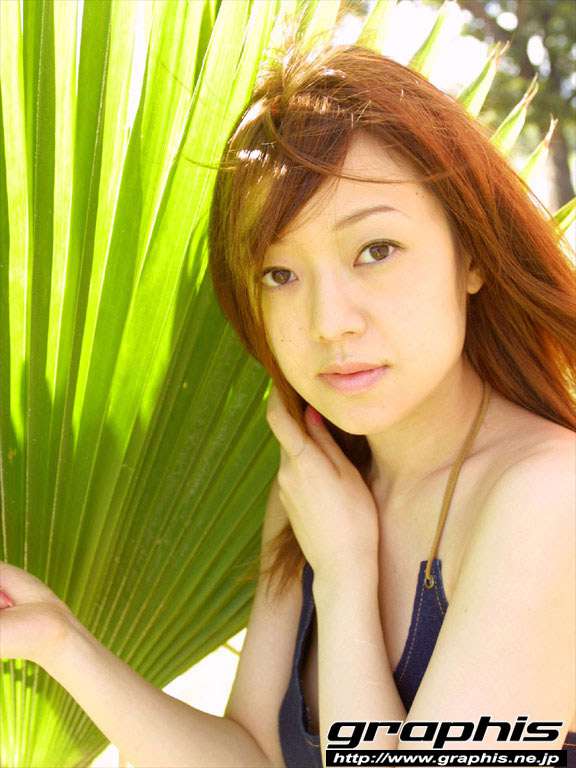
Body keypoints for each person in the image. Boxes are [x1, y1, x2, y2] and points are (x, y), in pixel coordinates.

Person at [1, 41, 575, 768]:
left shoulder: (548, 496)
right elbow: (255, 757)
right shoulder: (320, 484)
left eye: (376, 250)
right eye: (279, 272)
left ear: (473, 254)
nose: (329, 322)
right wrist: (59, 641)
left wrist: (344, 582)